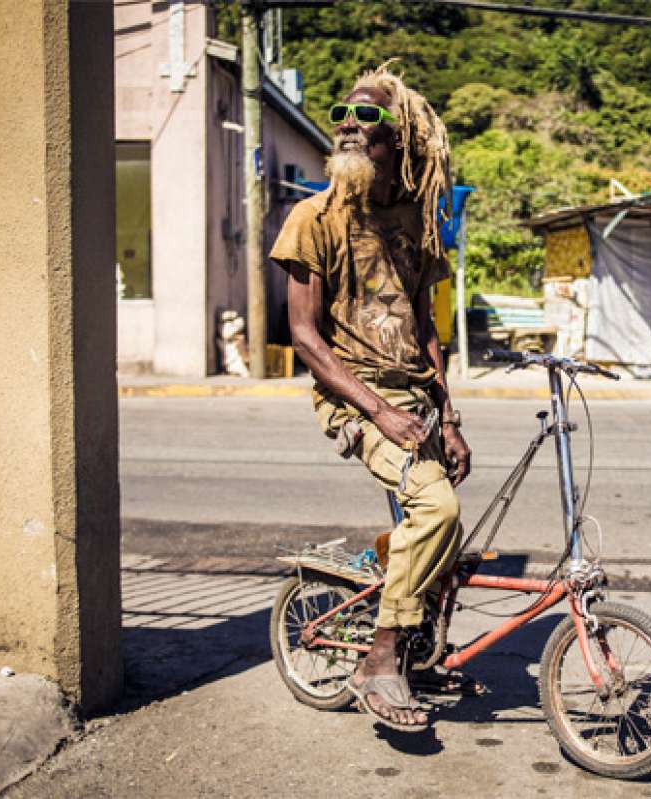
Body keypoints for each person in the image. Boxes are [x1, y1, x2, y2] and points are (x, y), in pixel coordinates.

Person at [270, 61, 470, 733]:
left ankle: (413, 642)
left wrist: (451, 416)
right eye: (343, 114)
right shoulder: (313, 216)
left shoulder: (418, 220)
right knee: (435, 506)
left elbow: (427, 326)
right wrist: (380, 410)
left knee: (450, 530)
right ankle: (380, 658)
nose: (352, 123)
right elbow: (303, 334)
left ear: (401, 137)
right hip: (357, 398)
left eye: (371, 116)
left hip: (415, 397)